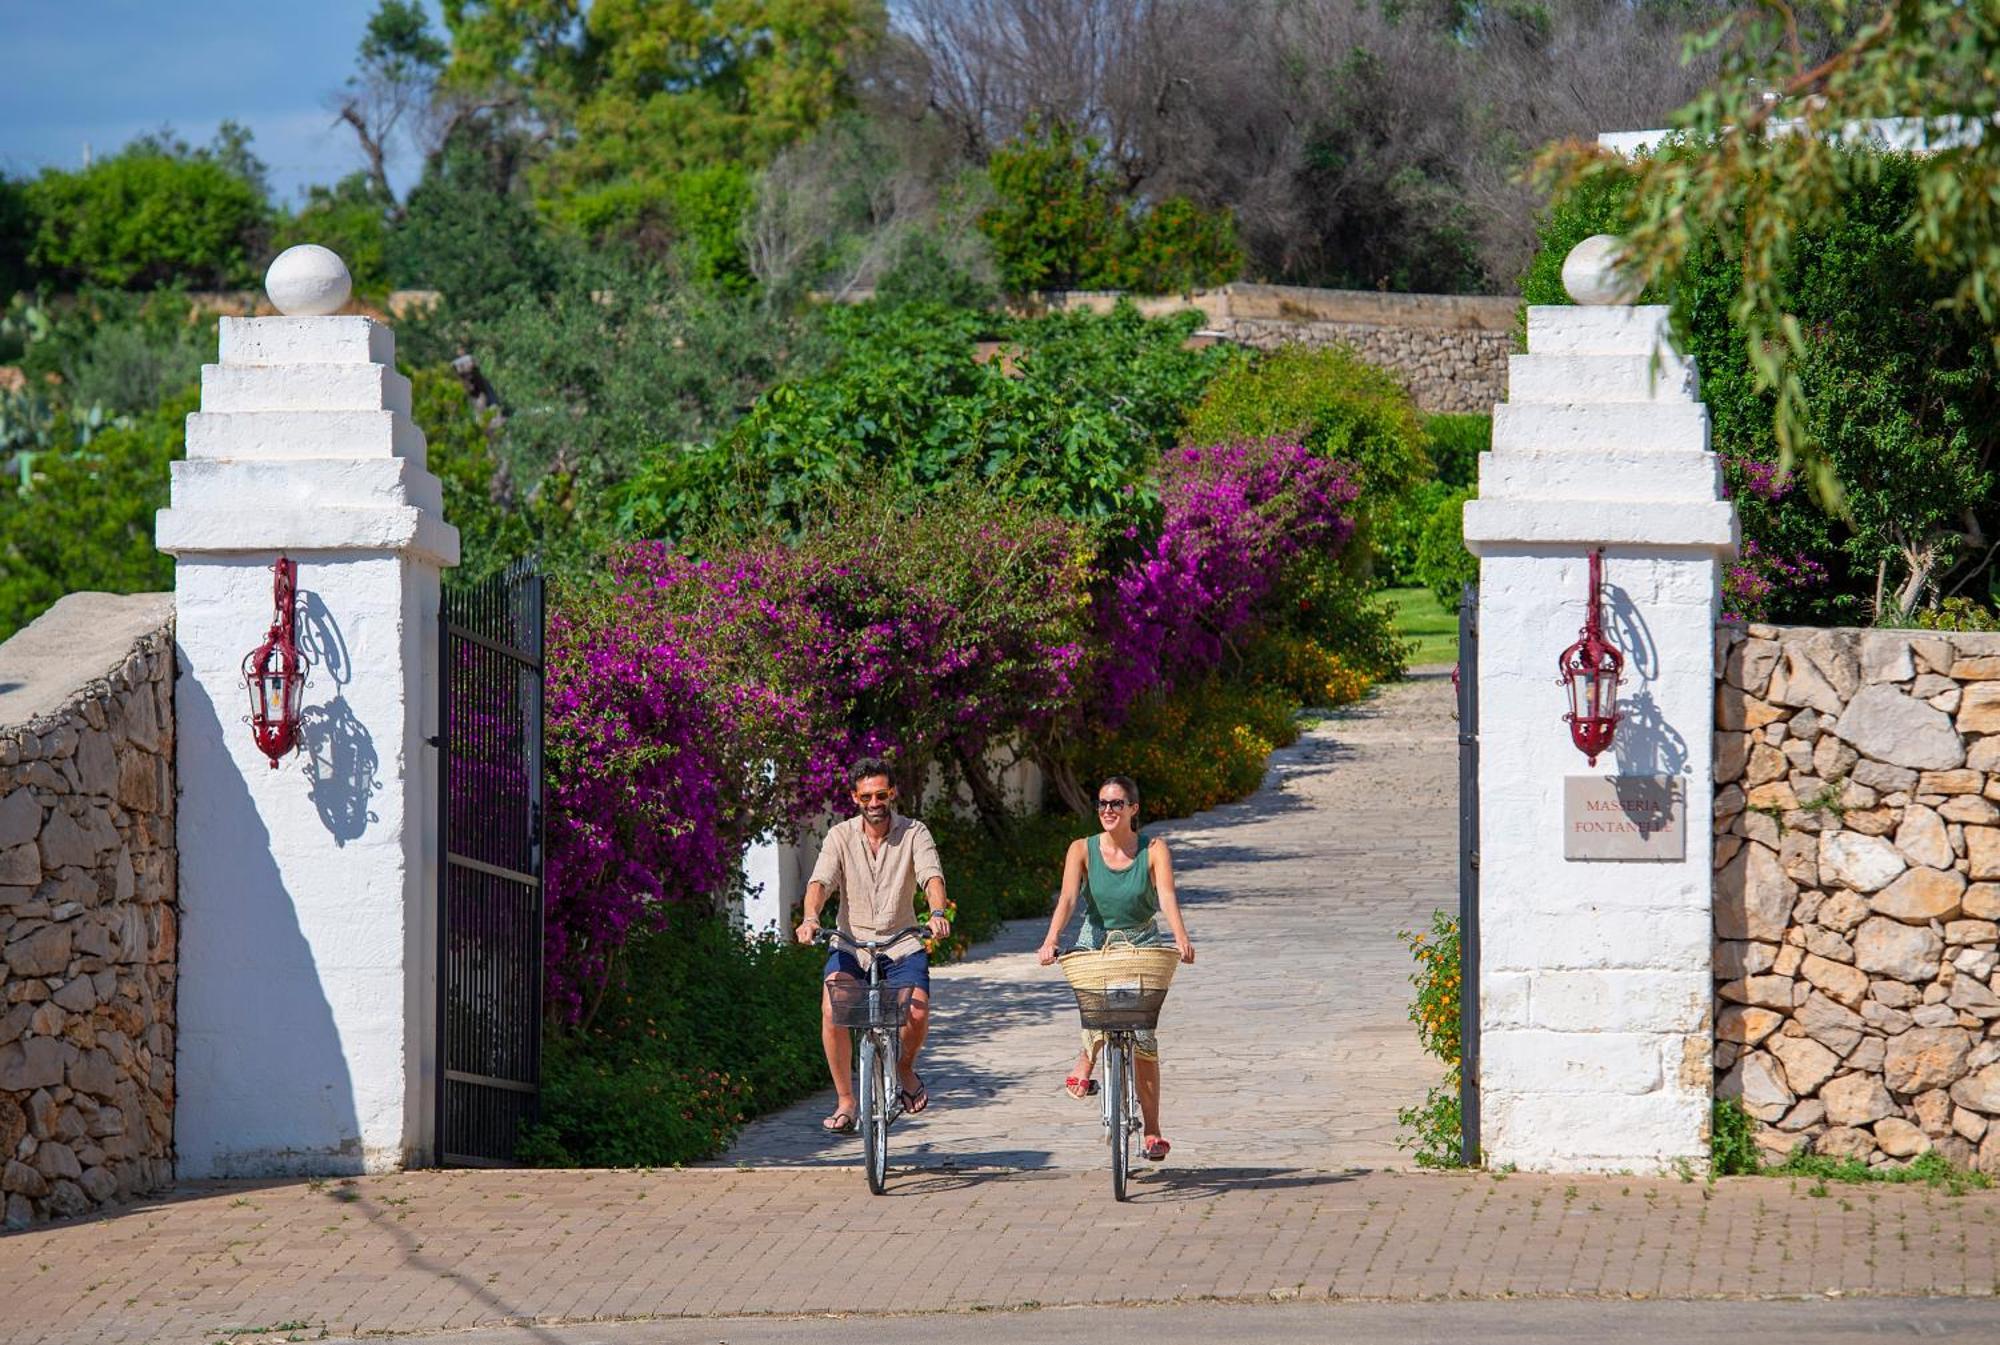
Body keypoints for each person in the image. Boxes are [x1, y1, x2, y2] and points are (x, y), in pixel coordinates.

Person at [1037, 775, 1195, 1161]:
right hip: (1098, 936)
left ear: (1133, 809)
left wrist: (1181, 936)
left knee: (1143, 1036)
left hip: (1141, 938)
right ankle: (1086, 1058)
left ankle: (1153, 1130)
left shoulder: (1154, 850)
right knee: (1096, 1000)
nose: (1108, 810)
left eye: (1117, 804)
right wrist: (1051, 938)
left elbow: (1166, 894)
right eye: (1103, 804)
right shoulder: (1082, 849)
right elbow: (1069, 898)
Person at [796, 759, 951, 1134]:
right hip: (852, 944)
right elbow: (820, 882)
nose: (875, 802)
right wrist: (811, 918)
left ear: (892, 793)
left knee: (916, 1012)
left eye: (881, 794)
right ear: (855, 798)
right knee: (832, 1008)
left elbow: (931, 875)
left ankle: (903, 1068)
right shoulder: (840, 836)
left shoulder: (915, 833)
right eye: (866, 796)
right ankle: (846, 1101)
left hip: (901, 943)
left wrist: (937, 911)